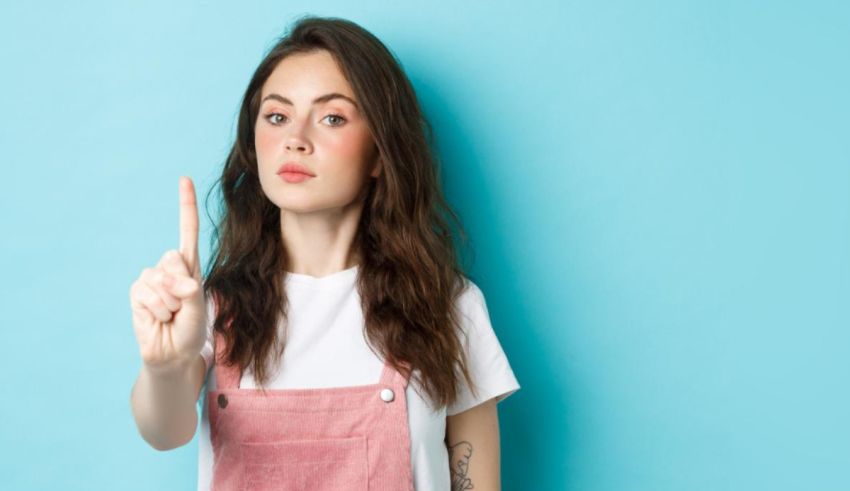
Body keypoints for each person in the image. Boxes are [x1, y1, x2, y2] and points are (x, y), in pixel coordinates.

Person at [129, 15, 520, 491]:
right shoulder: (211, 308)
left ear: (380, 153)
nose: (296, 138)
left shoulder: (448, 307)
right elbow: (163, 431)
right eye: (277, 116)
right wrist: (164, 366)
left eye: (332, 117)